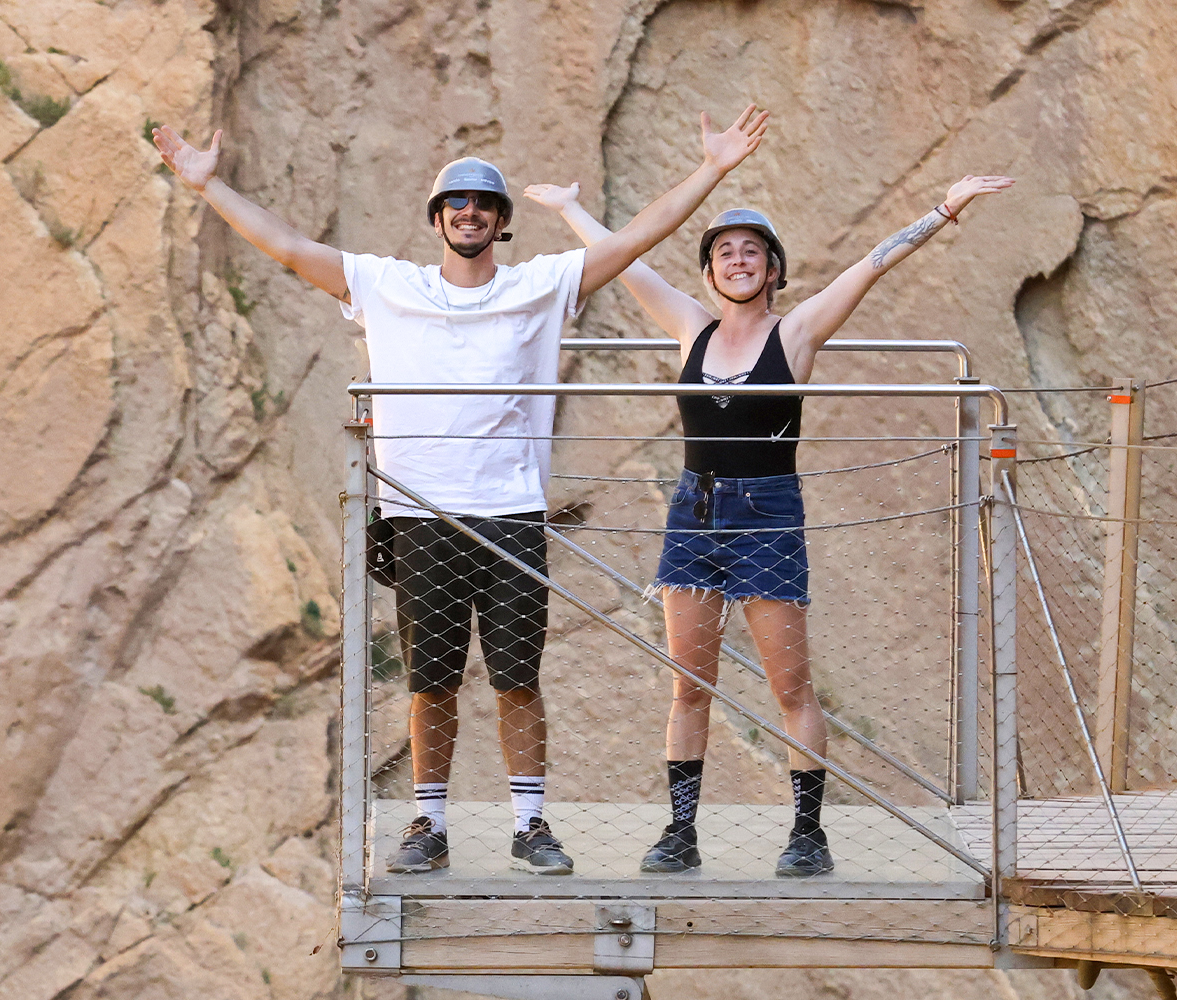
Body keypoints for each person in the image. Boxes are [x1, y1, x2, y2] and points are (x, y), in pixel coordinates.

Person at [153, 107, 769, 876]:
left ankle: (531, 824)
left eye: (483, 204)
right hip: (420, 512)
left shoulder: (540, 286)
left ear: (502, 221)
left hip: (509, 511)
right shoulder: (386, 284)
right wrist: (210, 187)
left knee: (517, 678)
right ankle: (429, 824)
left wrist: (712, 171)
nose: (469, 213)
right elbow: (286, 246)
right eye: (456, 203)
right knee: (430, 683)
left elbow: (636, 237)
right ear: (438, 218)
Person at [526, 174, 1014, 876]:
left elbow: (872, 264)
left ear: (773, 268)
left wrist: (943, 210)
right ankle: (680, 832)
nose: (737, 259)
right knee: (689, 684)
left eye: (751, 250)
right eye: (724, 251)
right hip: (693, 514)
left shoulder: (798, 332)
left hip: (767, 514)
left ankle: (808, 834)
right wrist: (572, 208)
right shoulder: (690, 327)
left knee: (791, 689)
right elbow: (626, 261)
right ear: (709, 270)